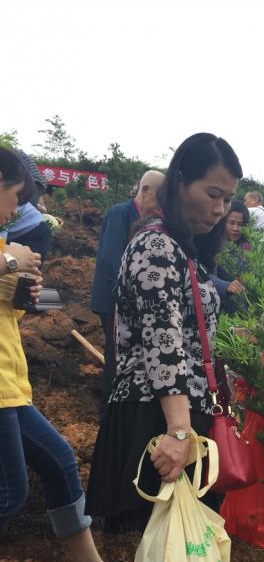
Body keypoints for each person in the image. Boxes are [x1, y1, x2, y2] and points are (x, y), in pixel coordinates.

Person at [86, 133, 243, 562]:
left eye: (227, 199)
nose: (219, 209)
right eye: (211, 193)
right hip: (162, 414)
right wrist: (181, 432)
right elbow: (164, 344)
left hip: (165, 410)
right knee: (176, 556)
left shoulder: (182, 250)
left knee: (157, 553)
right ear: (179, 181)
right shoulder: (155, 248)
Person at [0, 148, 128, 562]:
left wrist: (25, 297)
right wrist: (11, 260)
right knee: (10, 492)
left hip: (9, 382)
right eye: (15, 195)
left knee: (58, 460)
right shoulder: (7, 247)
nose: (17, 208)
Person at [90, 171, 164, 410]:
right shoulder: (120, 213)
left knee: (121, 353)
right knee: (115, 354)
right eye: (160, 196)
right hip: (113, 299)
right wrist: (134, 294)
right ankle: (107, 412)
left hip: (127, 300)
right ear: (145, 190)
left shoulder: (147, 220)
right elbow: (112, 261)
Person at [208, 199, 249, 312]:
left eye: (240, 224)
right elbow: (207, 276)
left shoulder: (247, 246)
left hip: (244, 309)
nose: (236, 228)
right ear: (223, 222)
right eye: (231, 223)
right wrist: (226, 285)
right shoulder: (214, 246)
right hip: (221, 308)